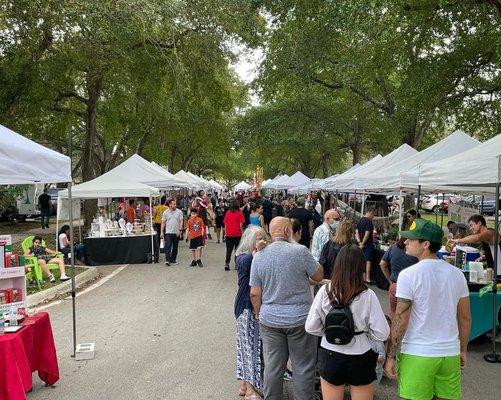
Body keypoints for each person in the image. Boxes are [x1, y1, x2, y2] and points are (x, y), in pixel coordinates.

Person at [385, 219, 471, 400]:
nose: (406, 242)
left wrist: (390, 356)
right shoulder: (457, 274)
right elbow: (465, 318)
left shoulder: (408, 275)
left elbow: (401, 319)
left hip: (419, 353)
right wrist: (462, 349)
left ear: (425, 244)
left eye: (411, 239)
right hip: (449, 353)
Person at [250, 217, 324, 400]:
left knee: (273, 366)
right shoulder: (300, 251)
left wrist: (259, 314)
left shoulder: (259, 255)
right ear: (286, 231)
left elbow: (254, 293)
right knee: (303, 366)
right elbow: (318, 275)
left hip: (270, 319)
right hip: (300, 319)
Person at [305, 244, 390, 400]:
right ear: (361, 266)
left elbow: (310, 326)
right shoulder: (368, 295)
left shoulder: (326, 290)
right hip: (361, 354)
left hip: (330, 353)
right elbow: (382, 332)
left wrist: (329, 332)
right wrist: (364, 332)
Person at [235, 226, 269, 400]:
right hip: (248, 307)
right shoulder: (246, 258)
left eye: (263, 237)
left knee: (245, 347)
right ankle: (250, 390)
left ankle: (243, 385)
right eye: (257, 238)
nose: (261, 241)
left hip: (246, 305)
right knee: (250, 348)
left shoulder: (247, 256)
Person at [379, 237, 418, 318]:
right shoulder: (416, 252)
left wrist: (389, 278)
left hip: (395, 285)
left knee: (393, 312)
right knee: (409, 314)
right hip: (411, 287)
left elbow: (382, 264)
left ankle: (393, 329)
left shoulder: (393, 247)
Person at [160, 198, 184, 266]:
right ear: (169, 204)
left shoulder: (179, 212)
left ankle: (173, 259)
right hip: (168, 232)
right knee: (168, 246)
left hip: (176, 232)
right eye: (173, 204)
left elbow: (181, 221)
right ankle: (167, 260)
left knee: (175, 247)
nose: (175, 205)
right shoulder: (165, 212)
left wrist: (180, 230)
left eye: (175, 204)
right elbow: (163, 222)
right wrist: (161, 232)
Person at [356, 207, 376, 284]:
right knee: (368, 261)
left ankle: (362, 277)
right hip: (368, 245)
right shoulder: (369, 221)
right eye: (373, 214)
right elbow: (367, 235)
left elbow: (356, 232)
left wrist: (360, 242)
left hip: (360, 243)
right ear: (370, 213)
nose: (373, 217)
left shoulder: (360, 220)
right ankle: (367, 278)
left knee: (361, 260)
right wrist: (363, 243)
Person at [224, 200, 245, 271]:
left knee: (228, 250)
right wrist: (243, 233)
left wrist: (225, 233)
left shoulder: (227, 213)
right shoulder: (240, 213)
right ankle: (236, 264)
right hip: (237, 234)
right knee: (237, 250)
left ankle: (227, 264)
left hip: (229, 234)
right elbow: (241, 224)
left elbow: (225, 224)